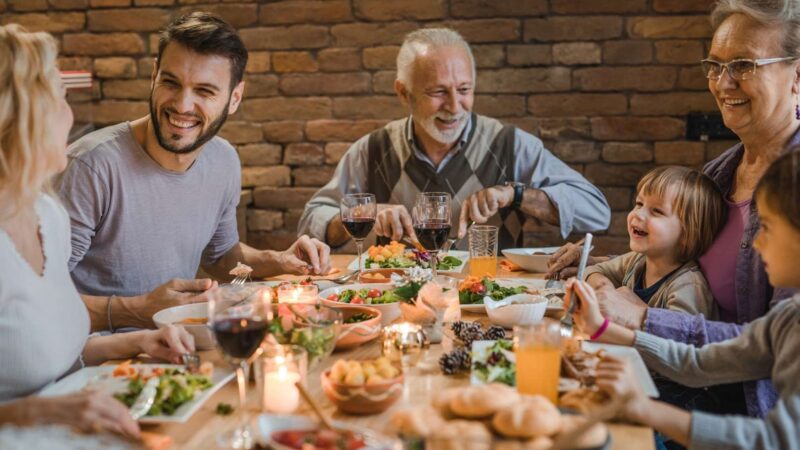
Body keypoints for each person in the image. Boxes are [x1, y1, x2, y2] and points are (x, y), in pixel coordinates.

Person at [546, 0, 800, 419]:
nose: (722, 82)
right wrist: (597, 264)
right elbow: (687, 272)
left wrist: (644, 318)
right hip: (680, 383)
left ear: (796, 75)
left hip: (745, 417)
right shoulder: (719, 174)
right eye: (715, 65)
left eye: (743, 65)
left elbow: (773, 347)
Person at [58, 12, 331, 332]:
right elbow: (31, 298)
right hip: (95, 362)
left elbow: (224, 263)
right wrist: (134, 310)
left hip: (181, 348)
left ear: (234, 99)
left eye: (204, 91)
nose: (183, 105)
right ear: (153, 77)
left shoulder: (224, 161)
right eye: (171, 82)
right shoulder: (91, 167)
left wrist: (278, 261)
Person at [0, 23, 194, 440]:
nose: (72, 116)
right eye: (63, 99)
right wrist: (32, 413)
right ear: (25, 117)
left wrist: (140, 342)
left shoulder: (46, 216)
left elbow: (50, 353)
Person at [566, 150, 800, 450]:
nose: (756, 243)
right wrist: (602, 328)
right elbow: (697, 361)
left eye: (766, 227)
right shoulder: (786, 318)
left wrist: (643, 408)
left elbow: (774, 441)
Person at [299, 28, 610, 252]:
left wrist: (514, 195)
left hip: (489, 304)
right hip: (396, 307)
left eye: (464, 90)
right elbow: (311, 221)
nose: (453, 106)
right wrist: (361, 213)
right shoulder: (372, 150)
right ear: (403, 93)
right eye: (438, 92)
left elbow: (596, 212)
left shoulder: (509, 144)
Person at [583, 166, 726, 317]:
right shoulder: (637, 260)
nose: (638, 214)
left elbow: (683, 334)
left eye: (657, 211)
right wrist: (606, 289)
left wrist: (635, 308)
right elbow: (593, 270)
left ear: (687, 234)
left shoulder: (688, 285)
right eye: (639, 204)